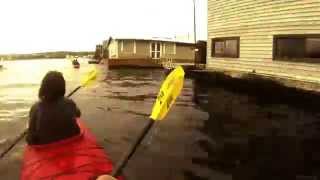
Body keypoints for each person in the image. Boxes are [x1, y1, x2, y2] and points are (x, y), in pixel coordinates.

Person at [26, 71, 81, 145]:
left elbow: (30, 137)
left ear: (43, 87)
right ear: (62, 87)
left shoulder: (36, 107)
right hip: (71, 141)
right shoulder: (69, 103)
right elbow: (78, 114)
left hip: (46, 146)